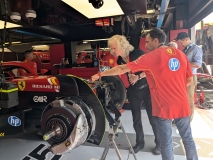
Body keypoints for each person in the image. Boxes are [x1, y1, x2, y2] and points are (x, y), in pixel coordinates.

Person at [91, 28, 198, 160]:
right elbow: (190, 80)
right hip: (182, 104)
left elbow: (122, 69)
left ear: (156, 40)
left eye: (147, 42)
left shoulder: (151, 57)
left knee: (166, 144)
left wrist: (100, 74)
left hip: (163, 107)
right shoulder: (181, 54)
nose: (145, 45)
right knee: (187, 139)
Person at [107, 35, 160, 154]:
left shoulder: (137, 53)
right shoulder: (120, 60)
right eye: (111, 49)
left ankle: (159, 144)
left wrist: (138, 76)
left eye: (114, 48)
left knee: (153, 119)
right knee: (136, 120)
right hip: (134, 92)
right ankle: (139, 143)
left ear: (121, 45)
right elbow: (122, 71)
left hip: (147, 89)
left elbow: (151, 69)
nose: (112, 51)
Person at [175, 32, 203, 122]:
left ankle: (188, 120)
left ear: (186, 39)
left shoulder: (196, 49)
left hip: (190, 77)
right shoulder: (186, 49)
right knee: (181, 98)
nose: (180, 44)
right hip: (182, 77)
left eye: (181, 42)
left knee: (188, 98)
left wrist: (184, 63)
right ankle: (181, 117)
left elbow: (198, 64)